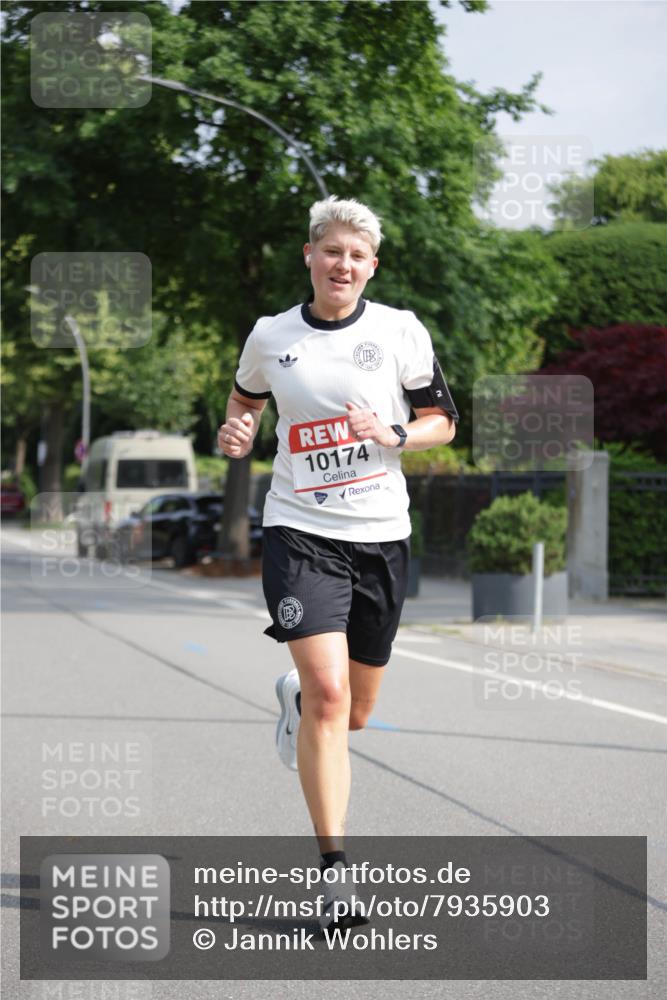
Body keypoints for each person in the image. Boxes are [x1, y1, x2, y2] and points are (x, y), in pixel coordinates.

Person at [217, 196, 458, 930]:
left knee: (354, 712)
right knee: (329, 694)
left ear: (371, 266)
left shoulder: (398, 331)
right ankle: (333, 873)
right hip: (300, 533)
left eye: (357, 255)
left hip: (380, 536)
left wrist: (392, 431)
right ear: (309, 255)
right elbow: (245, 399)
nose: (342, 265)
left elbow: (442, 423)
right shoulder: (271, 335)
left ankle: (298, 699)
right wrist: (236, 431)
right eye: (331, 251)